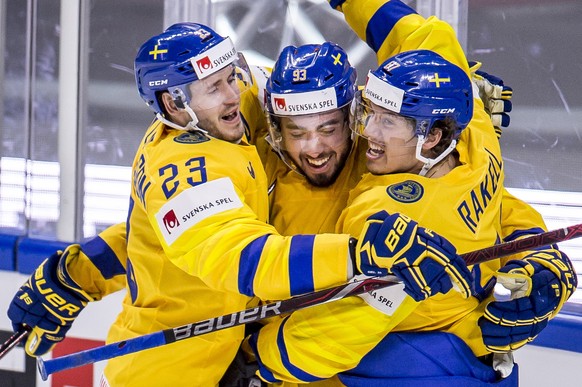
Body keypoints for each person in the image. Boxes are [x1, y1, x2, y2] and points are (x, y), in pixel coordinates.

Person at [6, 22, 470, 386]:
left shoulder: (240, 115)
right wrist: (357, 255)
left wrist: (75, 273)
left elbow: (156, 240)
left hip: (239, 356)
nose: (234, 94)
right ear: (174, 104)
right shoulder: (187, 167)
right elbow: (239, 256)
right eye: (217, 88)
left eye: (233, 78)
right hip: (173, 372)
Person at [245, 1, 577, 386]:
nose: (370, 132)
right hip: (468, 356)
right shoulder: (472, 129)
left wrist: (263, 360)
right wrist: (541, 252)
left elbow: (342, 329)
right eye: (372, 113)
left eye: (387, 122)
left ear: (432, 135)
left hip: (407, 368)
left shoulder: (381, 210)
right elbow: (419, 34)